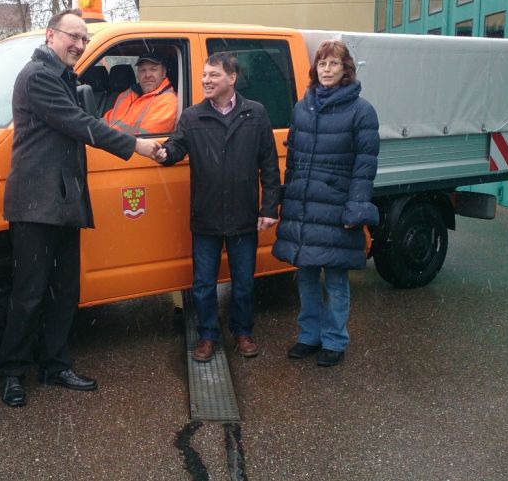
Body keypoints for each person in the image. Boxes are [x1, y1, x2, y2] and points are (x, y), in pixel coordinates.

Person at [0, 9, 161, 407]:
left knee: (64, 290)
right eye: (74, 37)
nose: (79, 45)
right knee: (29, 293)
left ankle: (55, 364)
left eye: (84, 40)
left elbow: (84, 120)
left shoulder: (65, 77)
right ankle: (12, 372)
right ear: (51, 35)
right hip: (37, 203)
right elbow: (77, 122)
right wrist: (135, 144)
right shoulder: (37, 76)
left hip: (64, 200)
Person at [153, 52, 280, 362]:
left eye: (213, 75)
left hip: (243, 215)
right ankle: (207, 336)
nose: (205, 80)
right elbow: (175, 148)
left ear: (232, 78)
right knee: (204, 285)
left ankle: (242, 332)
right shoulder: (192, 116)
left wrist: (269, 208)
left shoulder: (256, 114)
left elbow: (270, 165)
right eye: (204, 75)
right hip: (206, 215)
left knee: (244, 282)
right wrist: (162, 153)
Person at [272, 40, 379, 367]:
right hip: (304, 205)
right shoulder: (303, 106)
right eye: (322, 64)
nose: (327, 70)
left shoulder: (362, 111)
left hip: (335, 205)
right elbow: (293, 160)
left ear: (346, 69)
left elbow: (365, 167)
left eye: (334, 64)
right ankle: (309, 336)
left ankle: (334, 340)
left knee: (335, 278)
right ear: (315, 69)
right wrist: (286, 196)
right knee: (305, 276)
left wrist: (356, 208)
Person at [104, 51, 178, 135]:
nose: (147, 75)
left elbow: (145, 139)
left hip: (125, 146)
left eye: (153, 69)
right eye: (142, 70)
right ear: (138, 74)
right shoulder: (127, 94)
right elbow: (106, 120)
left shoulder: (167, 102)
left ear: (164, 73)